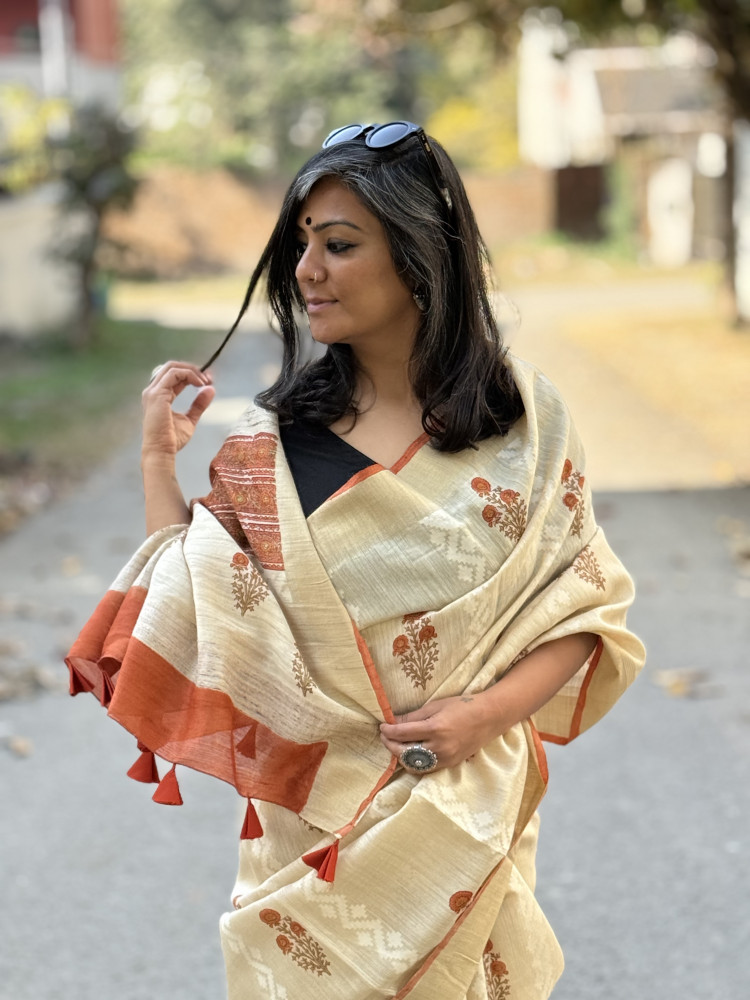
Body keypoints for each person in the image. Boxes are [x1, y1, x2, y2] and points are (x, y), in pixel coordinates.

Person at [66, 121, 645, 1000]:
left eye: (338, 245)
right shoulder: (273, 447)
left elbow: (586, 612)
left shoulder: (523, 426)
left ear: (421, 258)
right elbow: (191, 605)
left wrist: (483, 715)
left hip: (459, 823)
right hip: (310, 844)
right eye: (301, 246)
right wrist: (158, 463)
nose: (307, 271)